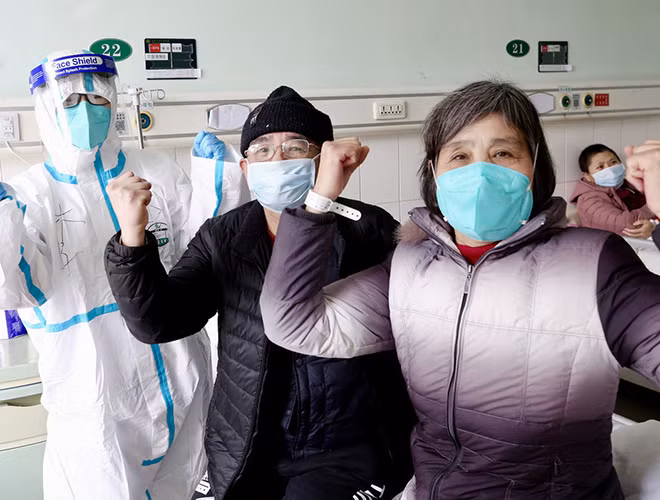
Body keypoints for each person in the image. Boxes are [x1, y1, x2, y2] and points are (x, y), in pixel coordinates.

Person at [259, 81, 660, 499]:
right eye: (460, 156)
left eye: (503, 154)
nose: (480, 173)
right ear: (434, 173)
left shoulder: (593, 264)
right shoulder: (410, 265)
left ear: (534, 168)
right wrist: (318, 202)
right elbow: (293, 322)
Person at [105, 86, 415, 500]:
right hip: (245, 440)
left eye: (295, 147)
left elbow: (412, 327)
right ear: (246, 169)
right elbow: (158, 321)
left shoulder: (367, 229)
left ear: (324, 159)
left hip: (345, 446)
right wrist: (132, 237)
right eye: (263, 150)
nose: (278, 160)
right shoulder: (223, 236)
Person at [0, 50, 212, 500]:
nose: (87, 111)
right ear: (46, 109)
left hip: (181, 374)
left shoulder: (156, 171)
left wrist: (221, 185)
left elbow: (203, 252)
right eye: (70, 101)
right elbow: (14, 291)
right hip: (95, 398)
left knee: (186, 485)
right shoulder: (31, 195)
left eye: (97, 99)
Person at [570, 143, 657, 238]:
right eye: (600, 167)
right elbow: (627, 225)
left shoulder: (627, 185)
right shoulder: (589, 200)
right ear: (588, 176)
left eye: (613, 162)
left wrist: (653, 225)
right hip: (618, 244)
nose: (610, 169)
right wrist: (654, 206)